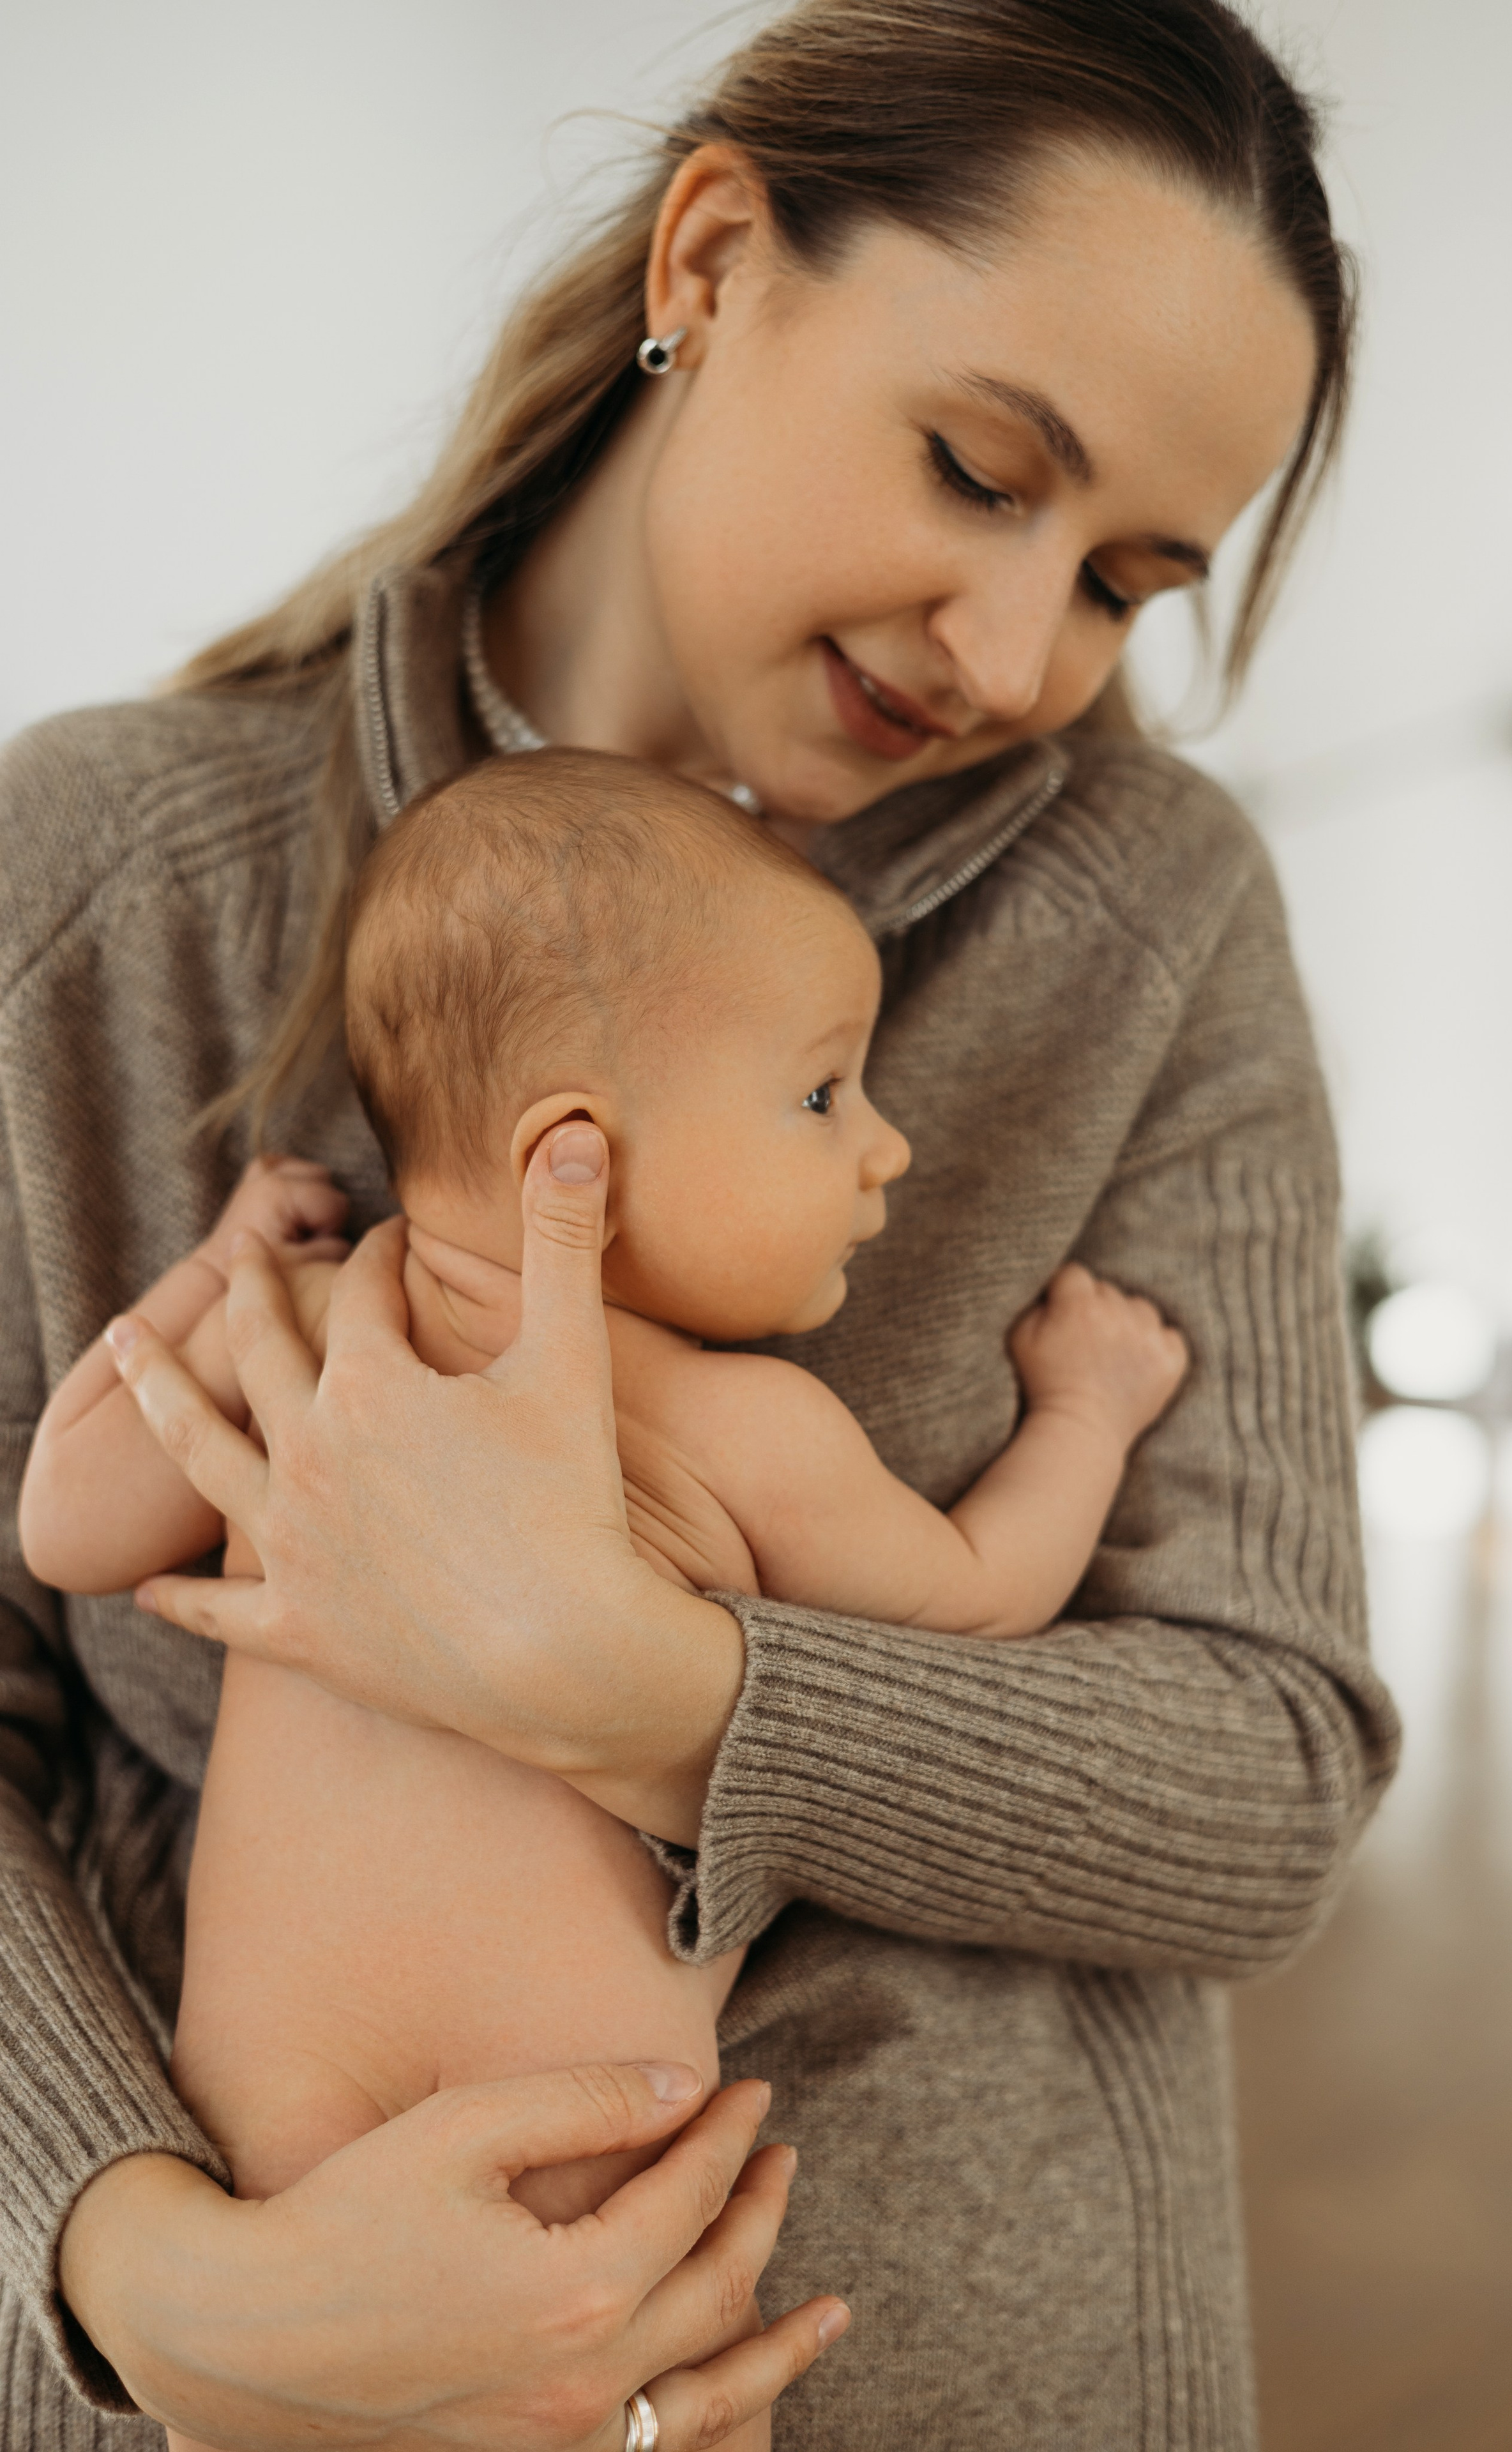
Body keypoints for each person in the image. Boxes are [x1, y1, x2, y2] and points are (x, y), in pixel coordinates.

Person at [0, 0, 1402, 2444]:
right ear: (717, 256)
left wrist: (656, 1695)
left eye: (1127, 582)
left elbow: (1264, 1772)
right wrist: (140, 2277)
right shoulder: (101, 889)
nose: (1012, 653)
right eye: (979, 469)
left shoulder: (1153, 923)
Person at [21, 749, 1188, 2426]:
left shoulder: (299, 1336)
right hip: (600, 2138)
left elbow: (69, 1525)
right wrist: (1085, 1411)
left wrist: (219, 1273)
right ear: (576, 1154)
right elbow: (986, 1598)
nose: (888, 1147)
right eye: (821, 1097)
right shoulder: (739, 1429)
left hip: (260, 2129)